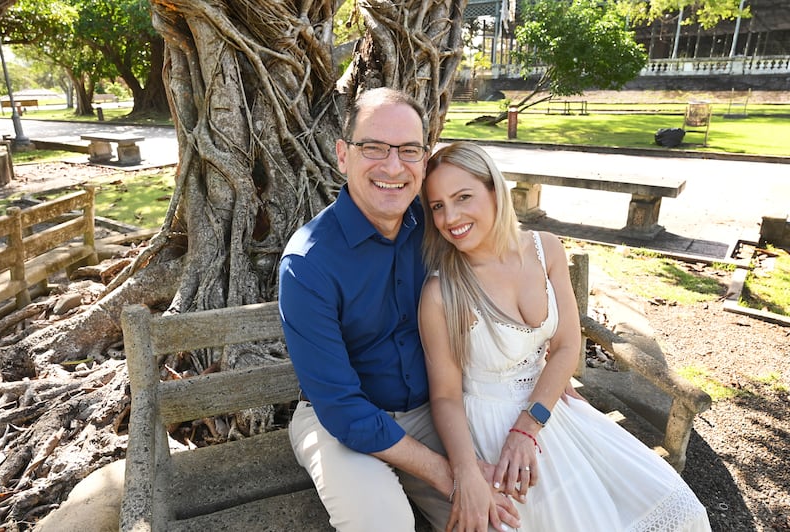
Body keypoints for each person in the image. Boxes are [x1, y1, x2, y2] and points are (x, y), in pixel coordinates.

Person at [418, 141, 712, 532]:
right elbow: (445, 396)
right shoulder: (441, 293)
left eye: (463, 197)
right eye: (437, 205)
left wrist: (530, 424)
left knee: (679, 507)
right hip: (487, 427)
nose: (450, 216)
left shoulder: (546, 249)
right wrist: (467, 470)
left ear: (494, 190)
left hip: (547, 409)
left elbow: (567, 347)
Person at [278, 90, 518, 532]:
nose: (393, 166)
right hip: (338, 424)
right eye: (373, 147)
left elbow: (508, 268)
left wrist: (548, 363)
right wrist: (453, 475)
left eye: (409, 150)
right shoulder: (308, 264)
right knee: (383, 524)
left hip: (433, 410)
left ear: (424, 160)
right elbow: (341, 408)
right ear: (342, 154)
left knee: (500, 519)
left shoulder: (438, 225)